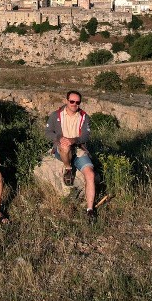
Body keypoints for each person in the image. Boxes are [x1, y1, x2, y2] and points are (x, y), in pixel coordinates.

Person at [45, 90, 96, 220]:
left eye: (77, 102)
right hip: (62, 149)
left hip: (78, 149)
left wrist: (74, 140)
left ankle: (90, 210)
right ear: (66, 101)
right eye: (72, 101)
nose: (74, 104)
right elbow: (47, 132)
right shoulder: (56, 115)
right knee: (65, 146)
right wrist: (59, 137)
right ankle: (68, 168)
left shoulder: (84, 117)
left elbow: (86, 135)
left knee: (90, 173)